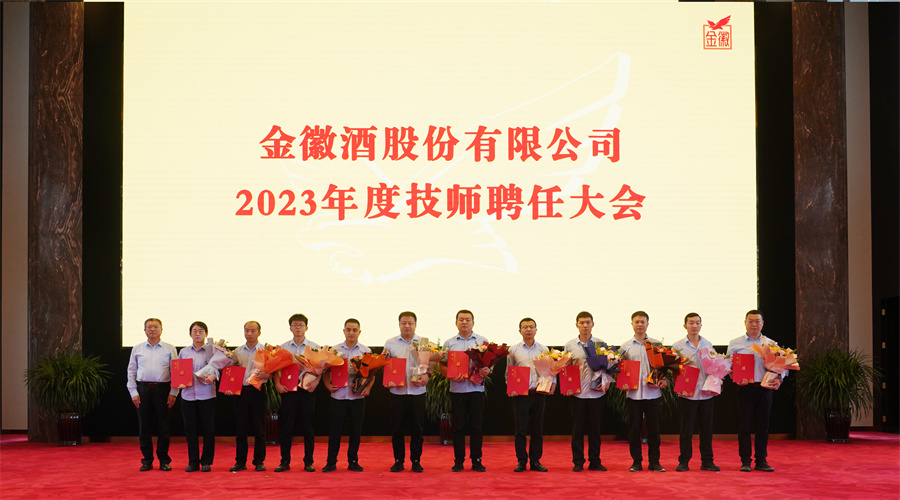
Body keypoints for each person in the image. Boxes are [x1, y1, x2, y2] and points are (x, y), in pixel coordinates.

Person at [726, 309, 783, 472]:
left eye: (757, 321)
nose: (754, 324)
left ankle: (761, 460)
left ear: (762, 323)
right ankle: (745, 461)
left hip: (765, 389)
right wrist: (735, 377)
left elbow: (781, 366)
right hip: (746, 389)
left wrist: (779, 378)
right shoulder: (735, 343)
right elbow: (728, 366)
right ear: (745, 323)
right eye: (750, 321)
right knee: (744, 426)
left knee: (763, 427)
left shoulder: (771, 344)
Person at [440, 309, 491, 472]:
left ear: (473, 323)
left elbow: (490, 364)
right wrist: (450, 375)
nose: (464, 322)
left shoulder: (482, 341)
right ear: (456, 323)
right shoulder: (449, 343)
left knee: (477, 427)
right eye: (461, 319)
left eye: (468, 320)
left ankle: (477, 460)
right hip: (457, 390)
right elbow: (441, 366)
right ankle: (458, 460)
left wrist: (487, 370)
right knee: (458, 428)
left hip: (477, 390)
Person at [127, 318, 178, 471]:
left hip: (163, 389)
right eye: (149, 327)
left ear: (161, 330)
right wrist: (133, 392)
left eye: (156, 327)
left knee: (163, 426)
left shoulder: (170, 348)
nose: (153, 329)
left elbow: (176, 372)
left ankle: (164, 460)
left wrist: (173, 392)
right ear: (145, 330)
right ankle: (147, 460)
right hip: (143, 389)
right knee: (144, 427)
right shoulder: (137, 349)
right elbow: (131, 371)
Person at [322, 318, 373, 472]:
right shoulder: (334, 350)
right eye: (348, 329)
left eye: (354, 330)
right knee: (335, 431)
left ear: (359, 332)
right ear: (344, 331)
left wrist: (368, 387)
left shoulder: (365, 351)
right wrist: (327, 384)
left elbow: (372, 374)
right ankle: (331, 462)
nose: (351, 332)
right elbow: (325, 371)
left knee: (355, 431)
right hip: (338, 396)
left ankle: (353, 461)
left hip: (357, 397)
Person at [671, 313, 720, 472]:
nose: (694, 326)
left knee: (707, 429)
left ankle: (707, 461)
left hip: (706, 392)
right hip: (687, 393)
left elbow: (715, 366)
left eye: (697, 323)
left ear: (701, 325)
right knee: (686, 430)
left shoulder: (708, 344)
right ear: (685, 326)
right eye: (691, 323)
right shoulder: (677, 346)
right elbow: (672, 368)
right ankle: (684, 461)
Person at [620, 311, 666, 472]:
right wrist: (622, 383)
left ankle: (655, 462)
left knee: (654, 430)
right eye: (637, 322)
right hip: (633, 394)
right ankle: (636, 462)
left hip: (653, 392)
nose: (639, 324)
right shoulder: (625, 347)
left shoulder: (656, 345)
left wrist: (664, 379)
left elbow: (663, 366)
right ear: (632, 324)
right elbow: (620, 369)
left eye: (642, 322)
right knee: (634, 430)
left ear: (647, 324)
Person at [383, 311, 429, 473]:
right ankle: (398, 461)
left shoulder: (423, 343)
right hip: (397, 392)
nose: (407, 326)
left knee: (417, 429)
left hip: (418, 392)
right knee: (397, 429)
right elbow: (385, 364)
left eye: (410, 323)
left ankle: (416, 461)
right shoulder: (390, 343)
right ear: (399, 324)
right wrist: (388, 380)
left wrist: (427, 376)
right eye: (404, 323)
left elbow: (430, 365)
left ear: (415, 325)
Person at [274, 314, 320, 473]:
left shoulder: (314, 347)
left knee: (308, 427)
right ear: (290, 328)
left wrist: (316, 381)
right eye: (295, 325)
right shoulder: (283, 347)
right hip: (288, 390)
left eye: (301, 325)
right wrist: (277, 384)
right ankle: (284, 461)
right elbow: (275, 368)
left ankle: (309, 461)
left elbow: (321, 369)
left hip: (307, 390)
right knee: (286, 427)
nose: (298, 328)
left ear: (306, 328)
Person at [564, 311, 609, 472]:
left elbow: (608, 367)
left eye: (587, 323)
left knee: (595, 430)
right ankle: (578, 461)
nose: (585, 326)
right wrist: (567, 387)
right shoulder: (570, 345)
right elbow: (566, 368)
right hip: (578, 393)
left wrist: (606, 381)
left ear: (592, 324)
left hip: (597, 393)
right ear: (577, 325)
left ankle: (595, 461)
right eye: (581, 323)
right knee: (577, 430)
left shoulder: (601, 344)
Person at [506, 317, 549, 472]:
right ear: (520, 331)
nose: (528, 329)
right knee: (520, 430)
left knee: (537, 430)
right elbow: (508, 372)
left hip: (538, 393)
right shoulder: (513, 350)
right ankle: (521, 461)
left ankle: (535, 461)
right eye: (525, 327)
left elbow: (550, 372)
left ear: (536, 330)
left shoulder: (544, 349)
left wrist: (550, 385)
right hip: (520, 395)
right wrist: (511, 387)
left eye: (531, 327)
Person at [177, 321, 217, 472]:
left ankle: (206, 462)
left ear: (206, 334)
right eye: (194, 331)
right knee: (190, 430)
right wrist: (179, 382)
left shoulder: (212, 352)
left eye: (201, 331)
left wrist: (213, 376)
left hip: (207, 395)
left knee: (208, 430)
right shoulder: (184, 352)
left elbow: (218, 369)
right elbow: (178, 370)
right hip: (188, 396)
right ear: (190, 334)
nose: (197, 333)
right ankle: (193, 462)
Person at [228, 321, 268, 472]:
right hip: (241, 393)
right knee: (241, 429)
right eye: (246, 330)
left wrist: (267, 375)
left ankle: (259, 461)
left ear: (259, 333)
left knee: (260, 429)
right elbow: (231, 372)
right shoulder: (237, 352)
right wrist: (230, 386)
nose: (249, 333)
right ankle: (240, 461)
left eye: (253, 330)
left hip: (258, 392)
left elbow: (271, 373)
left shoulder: (265, 351)